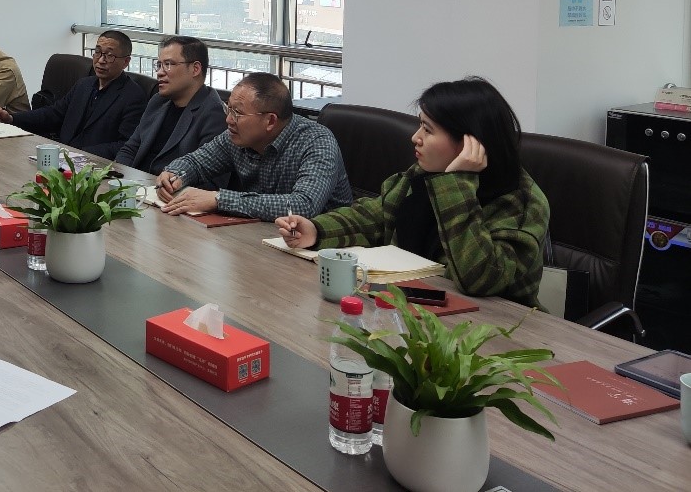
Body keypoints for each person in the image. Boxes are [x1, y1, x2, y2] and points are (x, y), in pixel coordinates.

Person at [275, 77, 550, 306]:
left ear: (470, 142)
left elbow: (480, 279)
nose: (415, 137)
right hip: (411, 307)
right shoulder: (423, 175)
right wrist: (317, 230)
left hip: (496, 332)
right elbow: (375, 217)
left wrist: (456, 184)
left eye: (428, 130)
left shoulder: (521, 201)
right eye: (420, 125)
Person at [155, 73, 352, 222]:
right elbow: (196, 162)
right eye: (228, 108)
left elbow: (303, 205)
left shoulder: (317, 142)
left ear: (270, 121)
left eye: (237, 113)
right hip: (261, 235)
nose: (228, 119)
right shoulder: (235, 137)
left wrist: (219, 199)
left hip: (321, 248)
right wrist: (174, 175)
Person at [0, 31, 146, 159]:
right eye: (98, 52)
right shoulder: (84, 85)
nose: (101, 60)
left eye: (109, 55)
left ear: (126, 62)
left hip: (95, 166)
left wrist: (80, 154)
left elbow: (125, 145)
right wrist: (11, 118)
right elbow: (53, 114)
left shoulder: (133, 96)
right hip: (62, 158)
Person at [114, 36, 225, 175]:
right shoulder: (158, 101)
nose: (159, 72)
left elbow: (208, 177)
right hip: (132, 182)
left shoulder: (215, 114)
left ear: (195, 69)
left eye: (168, 64)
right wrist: (117, 178)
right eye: (159, 65)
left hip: (169, 187)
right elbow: (130, 149)